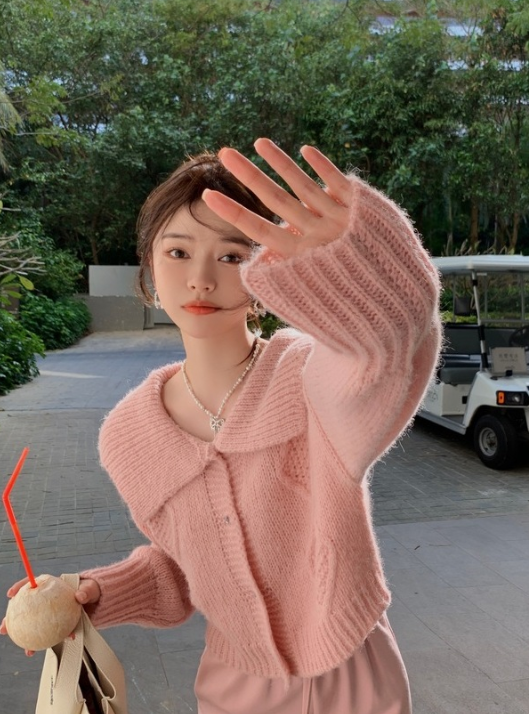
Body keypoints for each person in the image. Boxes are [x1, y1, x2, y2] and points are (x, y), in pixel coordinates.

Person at [2, 139, 441, 713]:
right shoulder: (129, 435)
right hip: (234, 688)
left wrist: (368, 260)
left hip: (353, 672)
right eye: (178, 252)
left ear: (265, 267)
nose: (201, 279)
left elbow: (387, 347)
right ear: (149, 266)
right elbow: (183, 568)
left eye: (232, 256)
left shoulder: (310, 372)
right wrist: (94, 594)